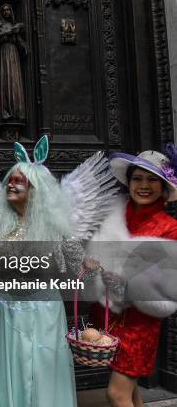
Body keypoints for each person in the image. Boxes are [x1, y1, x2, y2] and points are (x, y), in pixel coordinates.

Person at [0, 136, 117, 407]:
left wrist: (91, 268)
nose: (10, 183)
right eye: (9, 179)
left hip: (44, 314)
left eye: (18, 180)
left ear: (36, 189)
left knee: (41, 374)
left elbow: (79, 271)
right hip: (4, 313)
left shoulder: (55, 228)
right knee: (9, 373)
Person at [86, 146, 177, 407]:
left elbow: (168, 285)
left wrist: (128, 284)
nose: (144, 185)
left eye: (152, 180)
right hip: (107, 315)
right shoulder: (113, 215)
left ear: (163, 187)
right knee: (131, 392)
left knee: (117, 394)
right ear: (129, 182)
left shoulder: (170, 229)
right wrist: (94, 265)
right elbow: (98, 253)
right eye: (138, 178)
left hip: (140, 322)